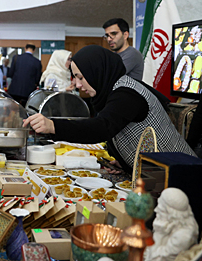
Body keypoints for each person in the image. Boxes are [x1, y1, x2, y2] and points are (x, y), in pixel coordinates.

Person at [23, 45, 195, 172]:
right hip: (155, 172)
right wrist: (125, 161)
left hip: (180, 173)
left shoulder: (126, 93)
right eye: (75, 78)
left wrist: (53, 126)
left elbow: (102, 127)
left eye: (81, 77)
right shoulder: (113, 90)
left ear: (96, 71)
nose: (78, 84)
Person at [145, 188, 198, 261]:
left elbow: (155, 258)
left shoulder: (182, 236)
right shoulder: (170, 223)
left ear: (171, 213)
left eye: (161, 209)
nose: (156, 210)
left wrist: (159, 234)